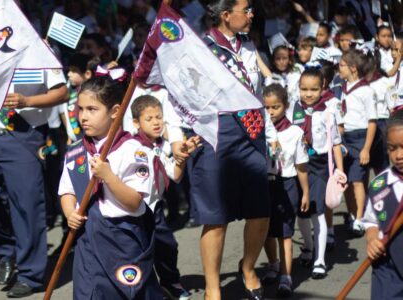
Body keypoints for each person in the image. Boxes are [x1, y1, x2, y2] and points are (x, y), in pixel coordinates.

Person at [191, 1, 279, 298]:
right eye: (246, 8)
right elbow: (186, 94)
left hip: (252, 132)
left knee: (260, 211)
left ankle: (249, 267)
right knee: (216, 218)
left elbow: (258, 92)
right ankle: (212, 288)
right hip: (218, 132)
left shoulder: (250, 46)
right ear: (226, 15)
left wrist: (273, 131)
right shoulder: (200, 48)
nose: (252, 13)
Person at [58, 77, 163, 299]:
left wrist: (108, 177)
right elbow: (67, 190)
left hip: (123, 236)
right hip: (88, 237)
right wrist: (69, 213)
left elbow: (134, 201)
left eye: (92, 109)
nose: (83, 116)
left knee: (129, 292)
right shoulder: (76, 151)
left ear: (115, 111)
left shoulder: (133, 150)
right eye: (81, 109)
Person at [0, 66, 68, 297]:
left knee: (27, 206)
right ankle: (7, 250)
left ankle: (30, 274)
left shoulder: (37, 51)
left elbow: (62, 92)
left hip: (23, 133)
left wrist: (27, 100)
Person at [130, 95, 197, 300]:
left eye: (159, 117)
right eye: (149, 119)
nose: (156, 122)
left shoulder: (160, 146)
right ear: (136, 123)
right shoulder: (130, 146)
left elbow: (175, 176)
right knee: (139, 252)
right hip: (133, 208)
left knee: (167, 245)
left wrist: (182, 157)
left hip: (155, 207)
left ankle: (170, 283)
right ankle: (141, 291)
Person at [292, 68, 346, 279]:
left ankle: (320, 259)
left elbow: (335, 144)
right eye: (304, 89)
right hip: (298, 165)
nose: (308, 94)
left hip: (319, 165)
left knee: (318, 212)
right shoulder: (292, 110)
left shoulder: (328, 112)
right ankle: (307, 246)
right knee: (301, 212)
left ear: (323, 87)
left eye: (314, 89)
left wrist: (339, 171)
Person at [260, 84, 310, 297]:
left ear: (286, 106)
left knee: (285, 232)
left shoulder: (295, 132)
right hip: (264, 183)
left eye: (276, 107)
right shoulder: (259, 131)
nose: (271, 112)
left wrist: (305, 192)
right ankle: (273, 264)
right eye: (267, 107)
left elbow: (301, 166)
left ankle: (286, 275)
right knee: (264, 229)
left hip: (286, 183)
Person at [362, 109, 403, 299]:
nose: (398, 155)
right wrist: (371, 239)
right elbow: (371, 221)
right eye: (392, 148)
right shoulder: (379, 185)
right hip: (389, 268)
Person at [340, 49, 377, 237]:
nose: (339, 68)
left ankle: (360, 219)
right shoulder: (342, 88)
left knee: (356, 180)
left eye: (342, 65)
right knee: (345, 181)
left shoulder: (366, 90)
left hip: (360, 137)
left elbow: (372, 122)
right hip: (344, 137)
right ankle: (352, 214)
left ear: (353, 68)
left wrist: (366, 149)